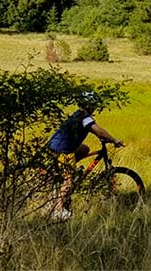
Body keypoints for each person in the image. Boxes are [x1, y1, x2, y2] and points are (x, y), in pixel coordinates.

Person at [46, 91, 125, 220]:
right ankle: (57, 210)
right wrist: (113, 139)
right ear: (89, 104)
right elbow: (99, 131)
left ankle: (64, 175)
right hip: (63, 150)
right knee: (68, 180)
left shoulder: (78, 114)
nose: (95, 107)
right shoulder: (85, 118)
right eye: (93, 104)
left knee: (84, 149)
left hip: (55, 146)